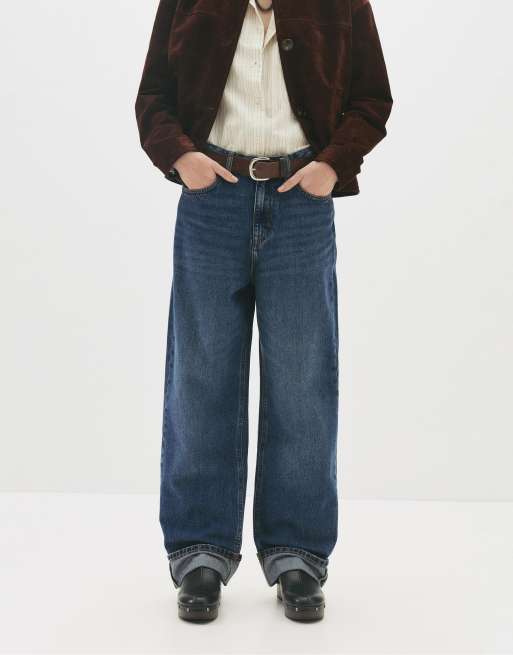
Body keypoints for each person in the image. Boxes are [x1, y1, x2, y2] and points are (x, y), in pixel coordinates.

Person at [135, 0, 392, 622]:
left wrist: (332, 165)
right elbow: (153, 98)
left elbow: (372, 98)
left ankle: (297, 555)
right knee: (200, 378)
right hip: (211, 201)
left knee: (303, 381)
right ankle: (199, 553)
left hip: (302, 201)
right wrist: (182, 158)